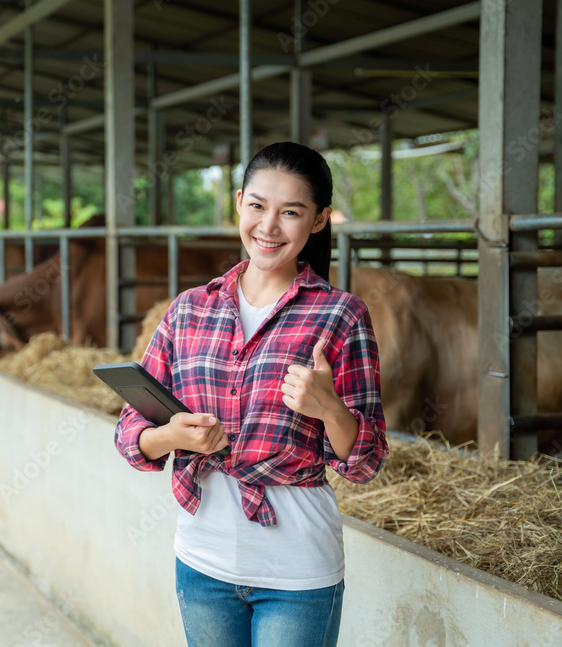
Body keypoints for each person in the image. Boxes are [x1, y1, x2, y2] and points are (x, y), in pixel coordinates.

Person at [113, 142, 388, 647]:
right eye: (258, 206)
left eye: (291, 212)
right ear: (239, 202)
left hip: (298, 573)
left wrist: (328, 407)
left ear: (320, 220)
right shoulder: (189, 310)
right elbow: (130, 434)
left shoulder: (342, 316)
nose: (268, 226)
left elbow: (366, 462)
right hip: (201, 563)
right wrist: (170, 436)